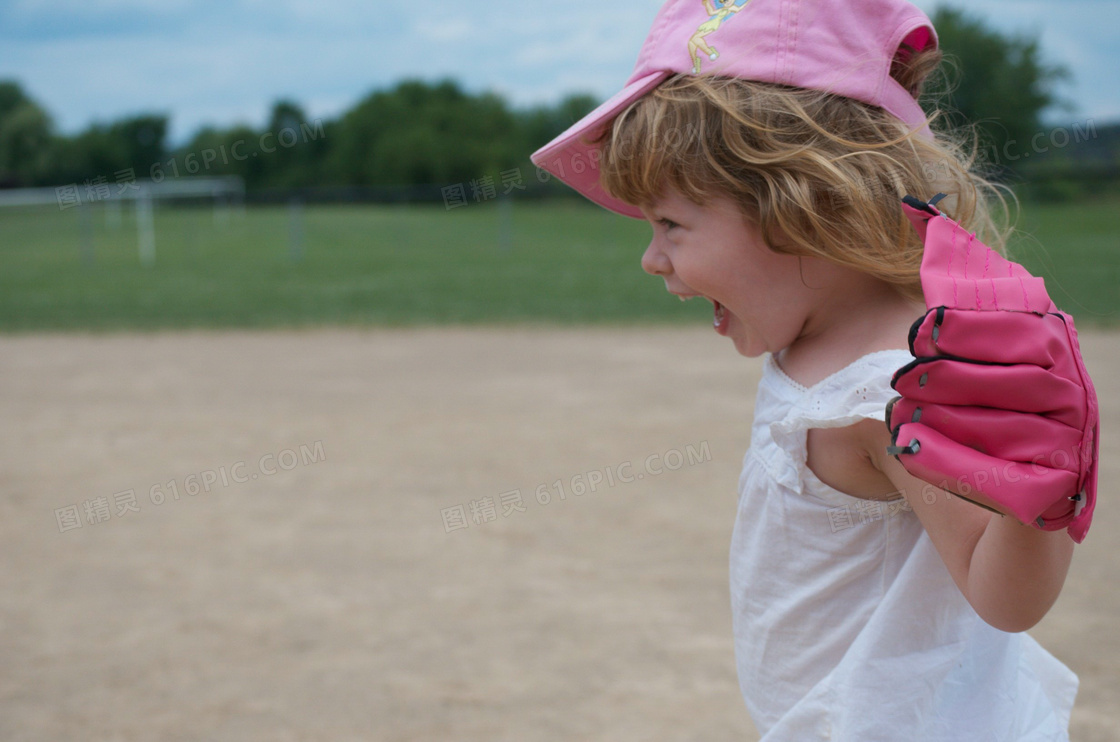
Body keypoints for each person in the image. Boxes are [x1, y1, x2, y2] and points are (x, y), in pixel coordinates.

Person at [530, 0, 1080, 739]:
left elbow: (1004, 599)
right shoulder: (810, 340)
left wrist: (1040, 488)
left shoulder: (894, 387)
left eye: (671, 224)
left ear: (800, 202)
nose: (652, 258)